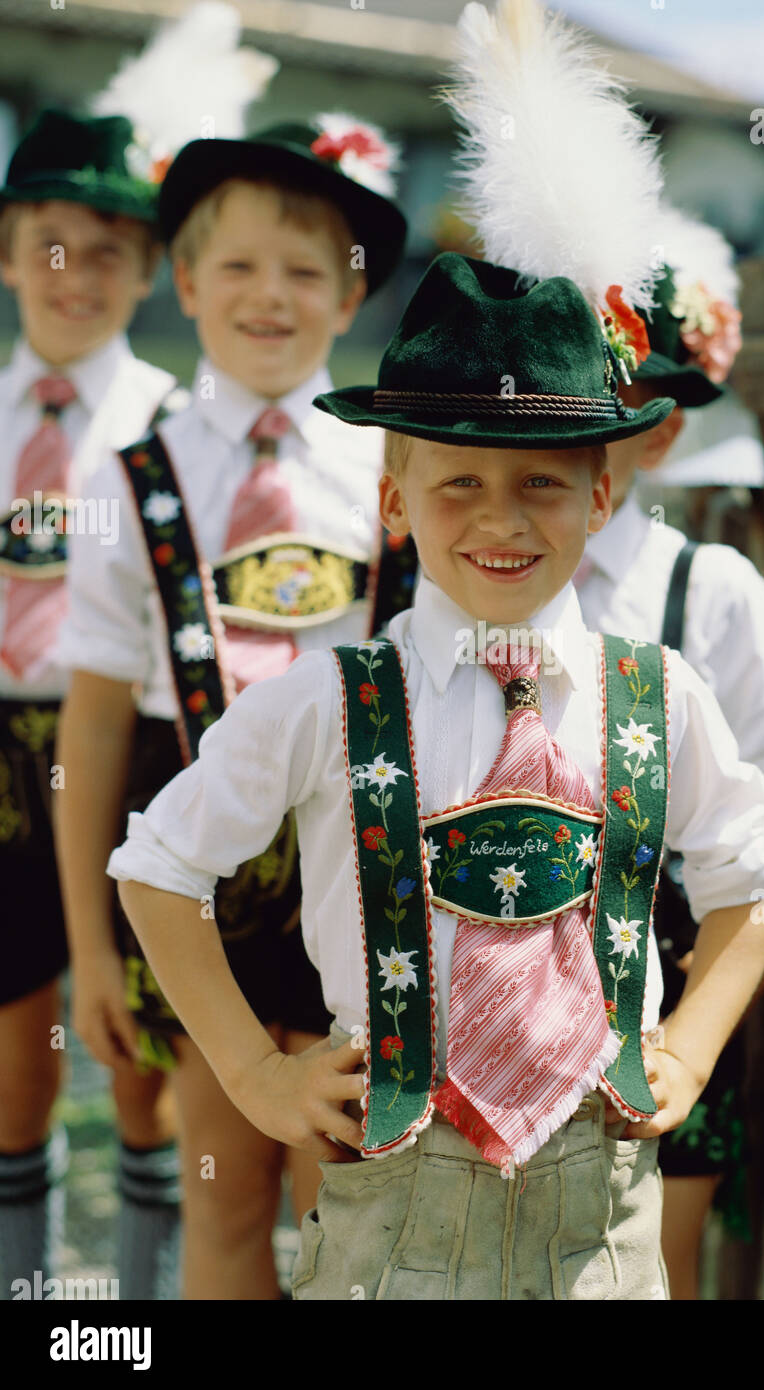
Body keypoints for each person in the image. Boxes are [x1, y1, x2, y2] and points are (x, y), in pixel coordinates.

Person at [107, 246, 764, 1300]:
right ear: (392, 499)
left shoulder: (659, 695)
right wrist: (253, 1071)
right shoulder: (327, 697)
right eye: (458, 480)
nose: (501, 518)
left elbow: (752, 879)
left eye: (542, 484)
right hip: (394, 1215)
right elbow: (157, 865)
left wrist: (691, 1050)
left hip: (599, 1213)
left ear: (601, 496)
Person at [54, 111, 407, 1299]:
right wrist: (90, 943)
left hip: (360, 862)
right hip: (197, 873)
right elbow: (94, 721)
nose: (272, 294)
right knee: (228, 1191)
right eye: (240, 266)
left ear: (349, 297)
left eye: (306, 270)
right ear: (188, 282)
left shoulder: (392, 473)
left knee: (349, 1200)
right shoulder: (133, 477)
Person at [575, 205, 764, 1297]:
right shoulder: (458, 564)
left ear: (665, 428)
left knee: (648, 1266)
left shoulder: (707, 588)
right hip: (499, 976)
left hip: (659, 982)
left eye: (613, 398)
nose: (575, 416)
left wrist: (701, 1006)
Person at [0, 106, 180, 1302]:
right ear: (10, 253)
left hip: (132, 745)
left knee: (140, 1040)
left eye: (111, 249)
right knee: (14, 1037)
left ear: (153, 268)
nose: (78, 275)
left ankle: (145, 1303)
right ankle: (25, 1289)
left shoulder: (171, 418)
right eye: (52, 244)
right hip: (0, 745)